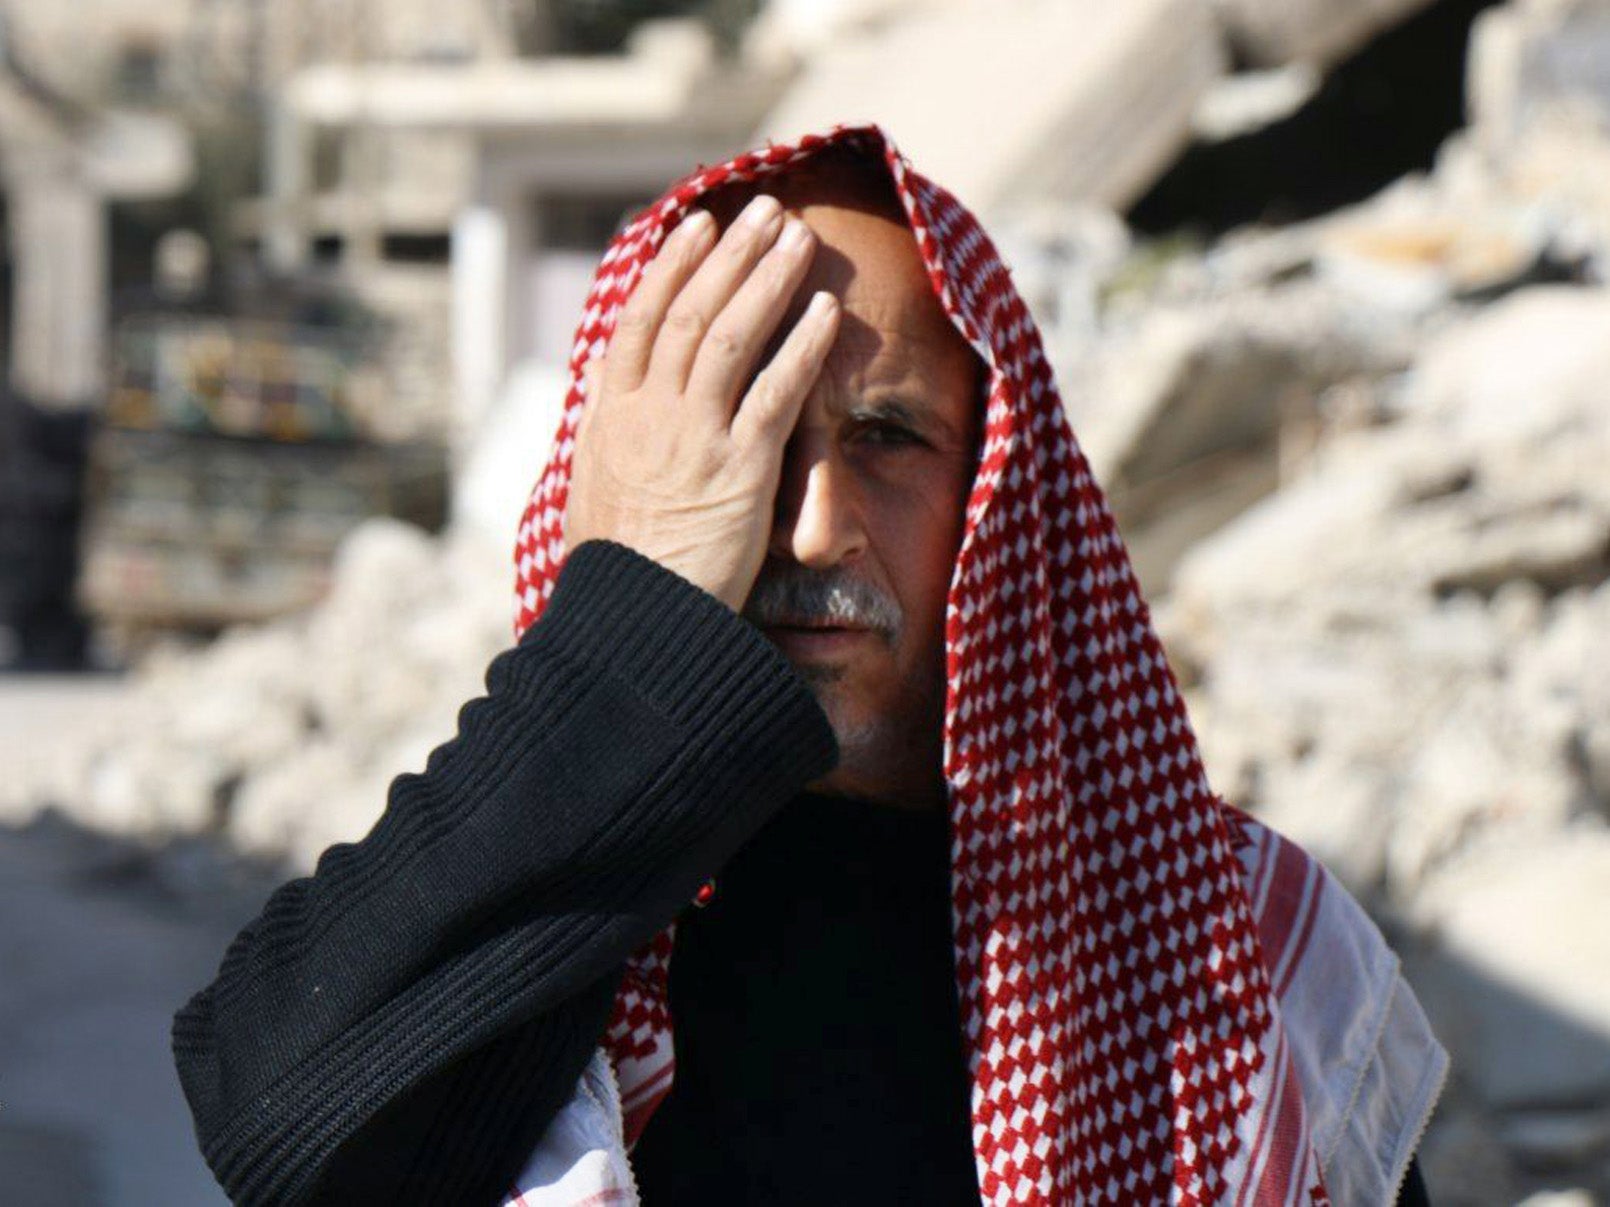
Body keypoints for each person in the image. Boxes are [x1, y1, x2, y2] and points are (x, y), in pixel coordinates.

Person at [173, 126, 1445, 1205]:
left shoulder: (1225, 947)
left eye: (887, 434)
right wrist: (637, 604)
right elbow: (276, 1118)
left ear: (995, 497)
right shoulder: (566, 920)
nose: (814, 523)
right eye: (748, 438)